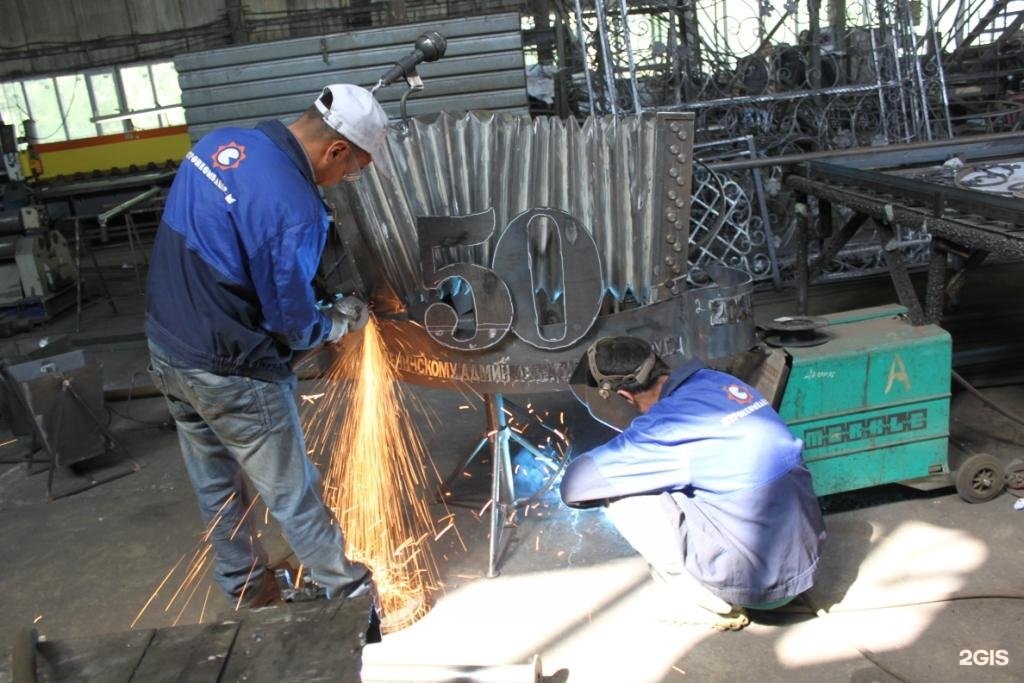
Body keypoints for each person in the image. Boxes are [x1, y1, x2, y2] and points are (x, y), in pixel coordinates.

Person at [146, 84, 392, 608]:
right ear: (337, 150)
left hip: (168, 348)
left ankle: (247, 591)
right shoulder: (293, 209)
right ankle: (349, 594)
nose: (343, 180)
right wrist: (338, 320)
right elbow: (291, 323)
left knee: (217, 486)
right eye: (350, 170)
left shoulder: (220, 144)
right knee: (293, 492)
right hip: (231, 366)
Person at [561, 336, 826, 630]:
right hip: (805, 564)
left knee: (622, 496)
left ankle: (709, 602)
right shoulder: (716, 381)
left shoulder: (666, 427)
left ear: (624, 396)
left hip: (759, 589)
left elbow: (575, 486)